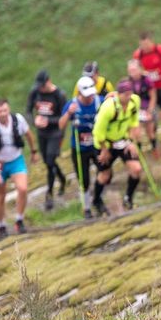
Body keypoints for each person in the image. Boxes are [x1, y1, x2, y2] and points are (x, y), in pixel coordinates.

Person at [0, 98, 38, 237]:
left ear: (9, 109)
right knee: (1, 193)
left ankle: (19, 219)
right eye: (0, 111)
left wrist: (33, 151)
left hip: (16, 160)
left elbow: (29, 135)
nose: (3, 114)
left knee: (23, 188)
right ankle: (1, 225)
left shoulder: (18, 120)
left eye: (5, 110)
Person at [91, 79, 143, 214]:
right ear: (119, 94)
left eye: (130, 93)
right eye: (125, 94)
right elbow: (98, 132)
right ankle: (96, 200)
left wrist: (131, 142)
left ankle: (128, 198)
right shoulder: (108, 108)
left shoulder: (134, 101)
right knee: (105, 175)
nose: (128, 97)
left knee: (136, 169)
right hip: (105, 143)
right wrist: (104, 150)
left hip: (122, 140)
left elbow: (134, 122)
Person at [59, 77, 103, 219]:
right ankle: (87, 208)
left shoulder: (99, 101)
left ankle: (98, 200)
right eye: (87, 95)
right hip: (79, 149)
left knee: (104, 172)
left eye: (91, 94)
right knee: (84, 180)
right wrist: (69, 113)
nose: (90, 97)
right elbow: (61, 125)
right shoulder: (72, 104)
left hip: (97, 145)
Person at [26, 69, 67, 210]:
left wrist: (48, 121)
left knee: (50, 161)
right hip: (42, 133)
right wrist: (34, 121)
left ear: (48, 81)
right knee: (48, 162)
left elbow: (64, 118)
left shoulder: (59, 95)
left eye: (42, 86)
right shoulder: (35, 92)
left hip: (55, 133)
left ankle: (49, 195)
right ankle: (62, 178)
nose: (41, 89)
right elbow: (28, 111)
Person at [134, 32, 161, 146]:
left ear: (151, 42)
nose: (145, 47)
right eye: (142, 45)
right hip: (149, 90)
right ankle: (154, 137)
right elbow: (136, 70)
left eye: (146, 44)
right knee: (151, 112)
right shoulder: (138, 55)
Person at [126, 59, 159, 156]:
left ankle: (155, 149)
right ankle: (139, 153)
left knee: (150, 132)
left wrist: (150, 110)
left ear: (140, 69)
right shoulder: (128, 82)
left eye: (134, 70)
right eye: (130, 70)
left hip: (147, 107)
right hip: (135, 110)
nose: (132, 73)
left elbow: (153, 96)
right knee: (137, 133)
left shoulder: (147, 80)